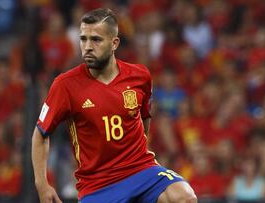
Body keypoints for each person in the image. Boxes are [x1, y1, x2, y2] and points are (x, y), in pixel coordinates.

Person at [32, 8, 197, 203]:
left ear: (114, 43)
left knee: (184, 196)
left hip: (141, 171)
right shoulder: (65, 85)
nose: (87, 46)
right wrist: (42, 184)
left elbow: (144, 119)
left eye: (96, 39)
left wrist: (139, 154)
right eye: (83, 39)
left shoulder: (140, 76)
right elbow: (40, 134)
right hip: (98, 185)